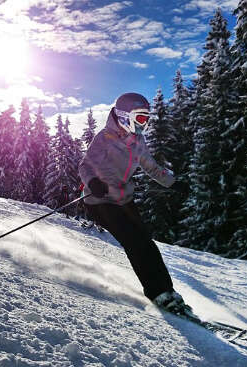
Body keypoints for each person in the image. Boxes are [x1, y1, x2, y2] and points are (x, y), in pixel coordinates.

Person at [78, 92, 189, 315]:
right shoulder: (105, 138)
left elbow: (151, 167)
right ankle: (157, 293)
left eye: (146, 119)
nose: (144, 124)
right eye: (140, 118)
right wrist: (93, 181)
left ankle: (168, 291)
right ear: (124, 116)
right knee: (134, 241)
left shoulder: (138, 142)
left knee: (146, 241)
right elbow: (85, 166)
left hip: (122, 199)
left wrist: (173, 182)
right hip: (100, 200)